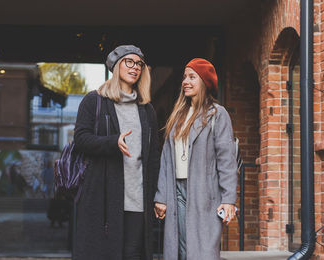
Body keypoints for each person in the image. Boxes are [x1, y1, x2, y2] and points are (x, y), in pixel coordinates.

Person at [72, 45, 160, 260]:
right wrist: (112, 143)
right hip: (103, 195)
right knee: (103, 254)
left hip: (138, 197)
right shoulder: (95, 101)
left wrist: (158, 195)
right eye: (129, 61)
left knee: (132, 254)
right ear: (116, 66)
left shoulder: (147, 110)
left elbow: (154, 156)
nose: (135, 67)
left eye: (139, 64)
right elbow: (80, 139)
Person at [154, 58, 237, 260]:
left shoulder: (217, 114)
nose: (185, 82)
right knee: (181, 250)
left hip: (204, 193)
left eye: (192, 77)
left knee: (203, 251)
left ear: (205, 82)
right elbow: (166, 158)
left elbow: (226, 159)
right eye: (184, 77)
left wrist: (229, 199)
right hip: (177, 192)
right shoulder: (177, 116)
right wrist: (161, 196)